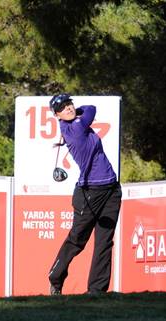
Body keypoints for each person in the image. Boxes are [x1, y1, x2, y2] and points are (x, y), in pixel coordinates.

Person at [47, 93, 122, 295]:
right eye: (63, 108)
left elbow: (87, 109)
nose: (69, 108)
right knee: (77, 239)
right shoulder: (77, 128)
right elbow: (91, 108)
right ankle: (55, 277)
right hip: (89, 193)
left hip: (111, 189)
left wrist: (73, 112)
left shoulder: (75, 125)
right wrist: (78, 113)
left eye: (69, 104)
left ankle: (97, 290)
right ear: (57, 115)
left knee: (104, 241)